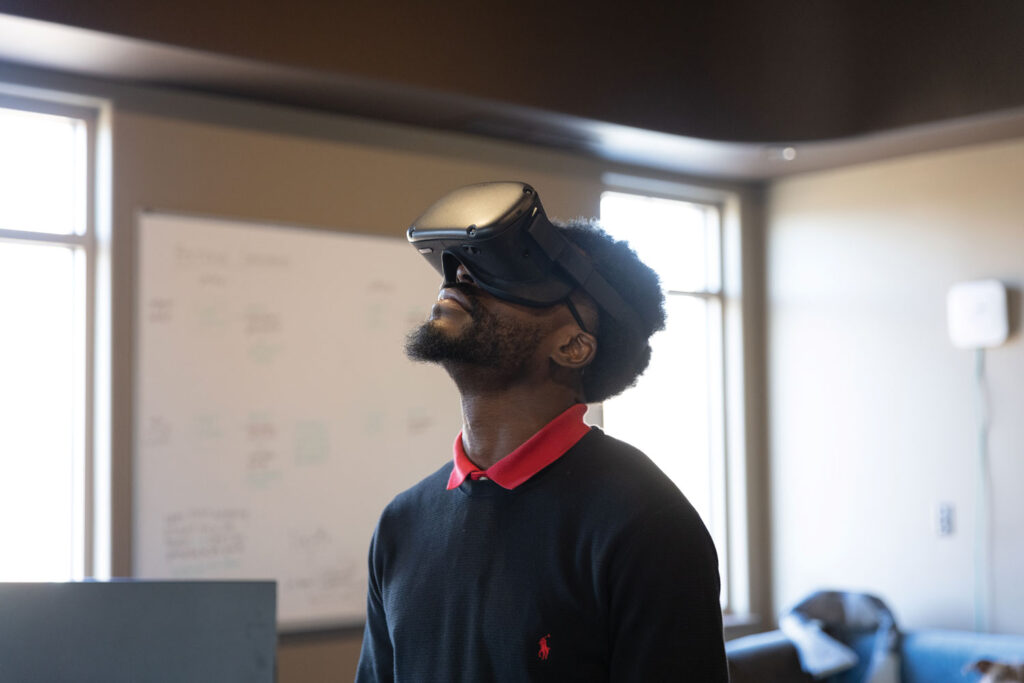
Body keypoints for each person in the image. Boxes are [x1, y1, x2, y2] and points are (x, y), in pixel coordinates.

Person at [356, 182, 729, 682]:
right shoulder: (402, 524)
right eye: (463, 264)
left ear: (573, 346)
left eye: (510, 273)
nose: (462, 274)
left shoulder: (644, 524)